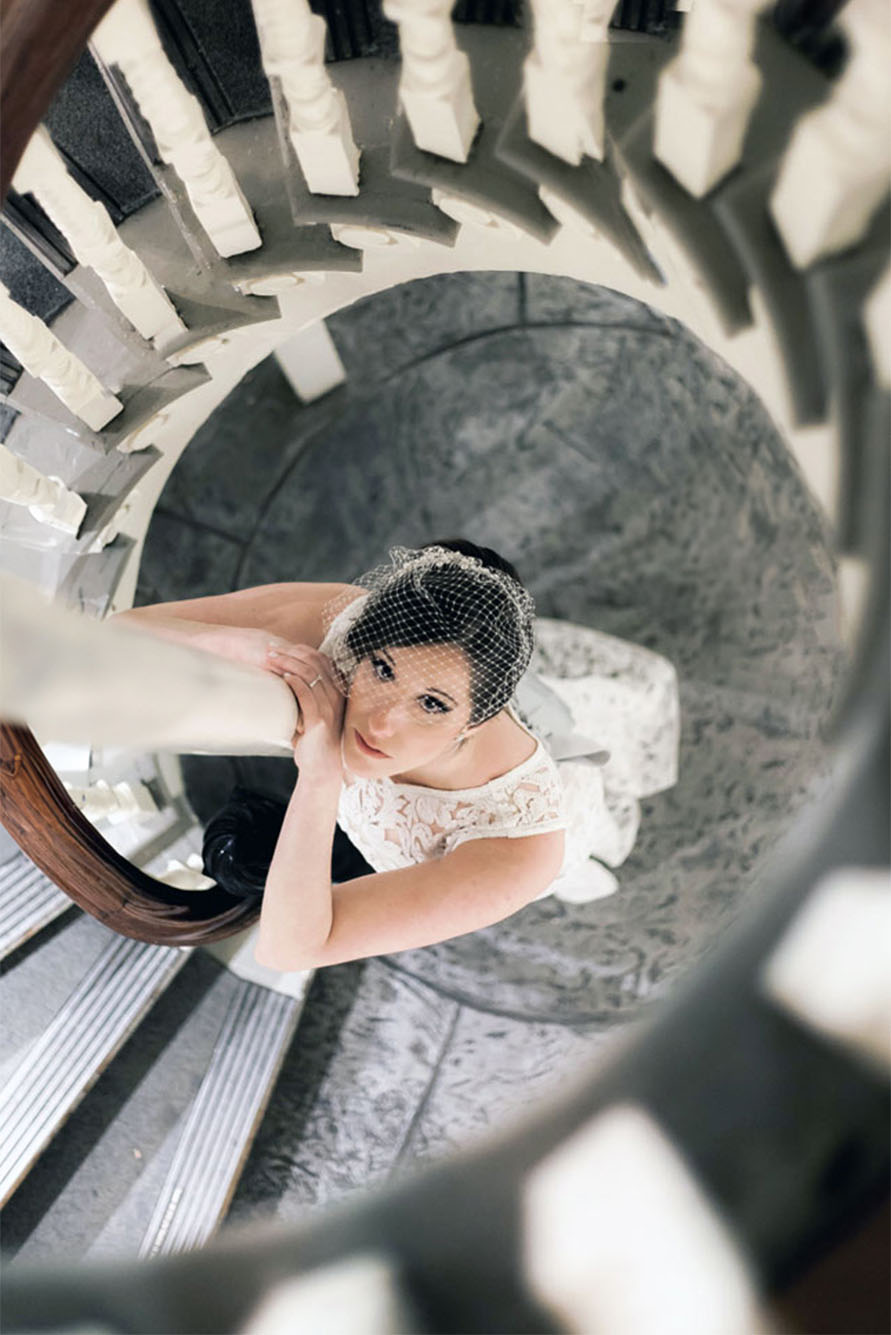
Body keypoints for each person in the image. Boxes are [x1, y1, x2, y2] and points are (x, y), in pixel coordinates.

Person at [113, 539, 680, 970]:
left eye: (431, 704)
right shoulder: (345, 621)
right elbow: (122, 631)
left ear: (477, 720)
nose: (380, 723)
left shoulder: (520, 845)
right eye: (382, 668)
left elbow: (288, 949)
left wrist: (320, 777)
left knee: (572, 854)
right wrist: (250, 645)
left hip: (528, 826)